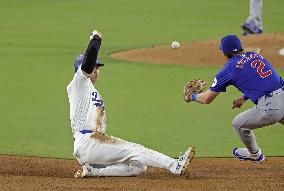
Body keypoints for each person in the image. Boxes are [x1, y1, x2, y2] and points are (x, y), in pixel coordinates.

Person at [66, 30, 195, 178]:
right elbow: (88, 62)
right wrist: (95, 39)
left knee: (139, 167)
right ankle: (175, 165)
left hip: (94, 146)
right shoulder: (79, 82)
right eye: (94, 67)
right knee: (136, 150)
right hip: (88, 142)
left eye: (97, 67)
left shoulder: (90, 89)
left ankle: (92, 171)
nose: (96, 70)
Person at [184, 34, 284, 162]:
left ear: (225, 53)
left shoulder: (228, 69)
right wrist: (244, 97)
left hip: (271, 108)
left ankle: (255, 154)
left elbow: (206, 99)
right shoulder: (255, 55)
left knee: (238, 124)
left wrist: (191, 96)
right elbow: (265, 82)